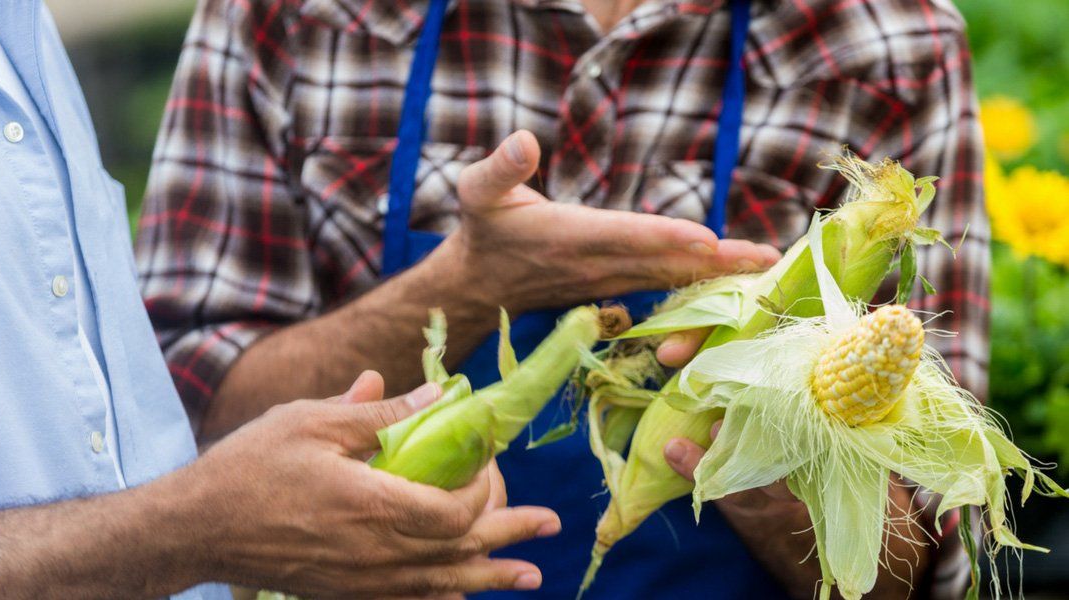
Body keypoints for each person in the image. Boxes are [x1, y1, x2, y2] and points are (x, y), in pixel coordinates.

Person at [138, 0, 989, 597]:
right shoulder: (287, 14)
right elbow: (176, 444)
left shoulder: (890, 39)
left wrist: (769, 450)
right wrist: (467, 285)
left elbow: (919, 565)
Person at [0, 1, 564, 598]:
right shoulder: (279, 18)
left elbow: (130, 432)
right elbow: (195, 408)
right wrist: (195, 528)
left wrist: (300, 513)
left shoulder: (18, 27)